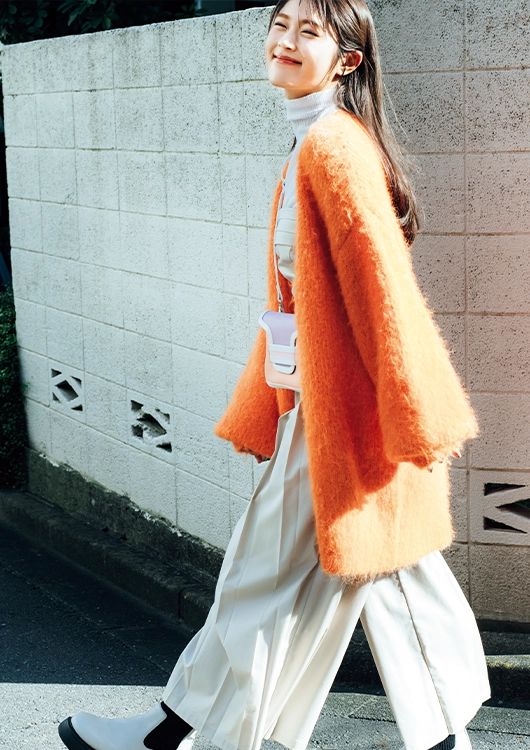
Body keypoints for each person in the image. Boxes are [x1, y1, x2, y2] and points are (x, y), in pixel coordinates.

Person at [57, 1, 491, 750]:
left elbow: (384, 294)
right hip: (332, 413)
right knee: (388, 575)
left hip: (337, 421)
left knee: (272, 577)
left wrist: (415, 415)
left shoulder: (332, 148)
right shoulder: (318, 142)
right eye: (281, 24)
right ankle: (436, 739)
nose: (284, 41)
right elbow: (298, 308)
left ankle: (174, 731)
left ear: (348, 60)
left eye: (308, 32)